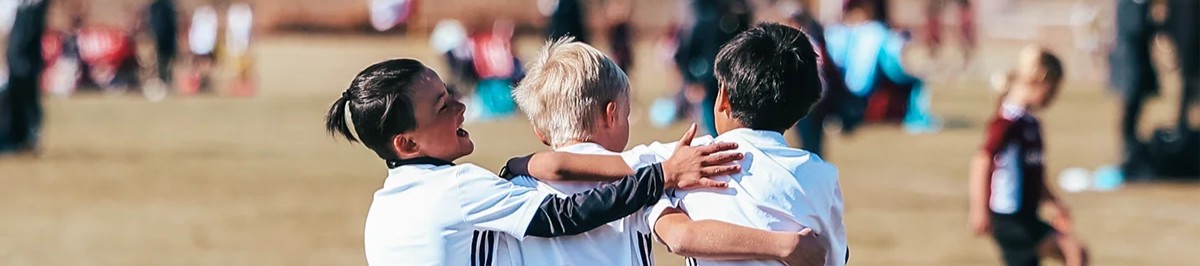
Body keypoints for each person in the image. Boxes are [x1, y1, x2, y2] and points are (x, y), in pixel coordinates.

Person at [323, 58, 744, 265]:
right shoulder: (457, 189)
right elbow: (565, 216)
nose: (460, 107)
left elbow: (552, 174)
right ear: (407, 144)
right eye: (442, 107)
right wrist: (662, 175)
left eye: (451, 94)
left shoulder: (384, 208)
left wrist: (526, 165)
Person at [522, 23, 846, 266]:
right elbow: (831, 255)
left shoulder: (683, 159)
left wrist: (522, 165)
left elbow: (559, 164)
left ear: (723, 99)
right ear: (804, 107)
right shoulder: (822, 175)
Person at [969, 46, 1089, 266]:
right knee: (1074, 251)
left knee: (1074, 252)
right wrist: (979, 210)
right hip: (1008, 219)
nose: (1054, 97)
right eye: (1052, 89)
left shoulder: (1030, 123)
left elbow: (1032, 174)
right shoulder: (1007, 122)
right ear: (1038, 81)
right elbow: (982, 160)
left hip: (1027, 216)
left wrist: (1055, 204)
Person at [675, 0, 751, 136]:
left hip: (735, 83)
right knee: (711, 126)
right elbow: (684, 54)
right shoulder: (704, 24)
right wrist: (691, 81)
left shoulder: (739, 23)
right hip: (707, 82)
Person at [1, 0, 52, 154]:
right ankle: (16, 134)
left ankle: (25, 133)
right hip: (20, 9)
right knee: (19, 64)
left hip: (25, 8)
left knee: (21, 65)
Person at [146, 0, 177, 87]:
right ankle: (162, 80)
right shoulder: (156, 6)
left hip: (168, 38)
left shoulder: (169, 5)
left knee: (168, 60)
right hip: (159, 38)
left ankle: (168, 81)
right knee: (160, 60)